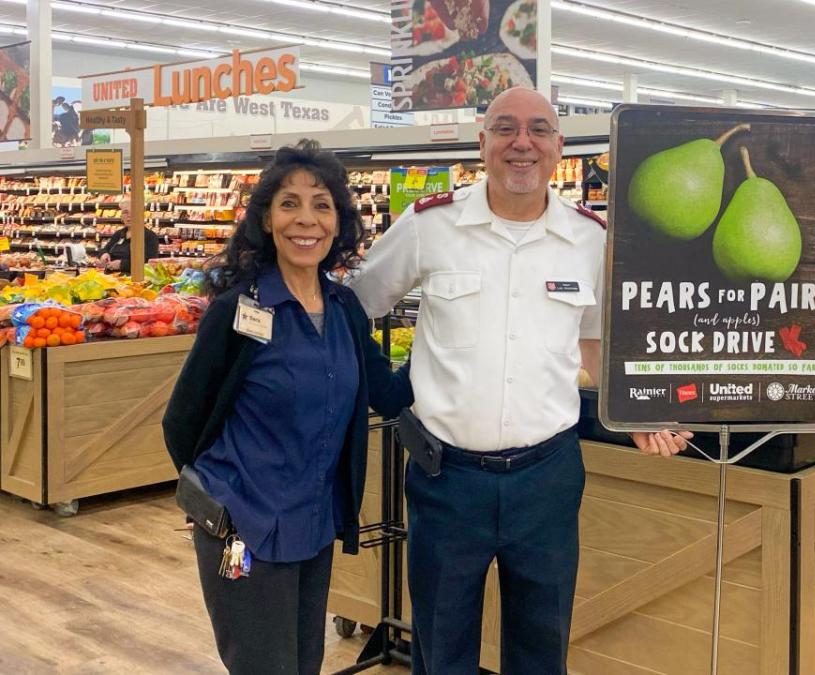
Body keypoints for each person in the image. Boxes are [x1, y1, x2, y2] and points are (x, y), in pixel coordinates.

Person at [350, 86, 691, 674]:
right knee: (442, 646)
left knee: (541, 646)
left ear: (558, 148)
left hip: (548, 481)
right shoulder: (432, 224)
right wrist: (387, 389)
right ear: (482, 143)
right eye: (505, 128)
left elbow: (594, 341)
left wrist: (634, 411)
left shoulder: (590, 238)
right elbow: (356, 307)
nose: (522, 142)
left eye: (538, 129)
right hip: (446, 479)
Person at [162, 140, 414, 675]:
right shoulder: (239, 311)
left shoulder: (345, 309)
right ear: (267, 220)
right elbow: (182, 422)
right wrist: (217, 499)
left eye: (321, 204)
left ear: (339, 222)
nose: (307, 220)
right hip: (244, 530)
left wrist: (457, 339)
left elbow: (388, 393)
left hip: (314, 526)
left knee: (303, 664)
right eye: (290, 203)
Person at [98, 197, 160, 274]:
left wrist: (122, 264)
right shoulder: (118, 234)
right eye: (125, 212)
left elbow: (150, 262)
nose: (129, 216)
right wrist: (103, 254)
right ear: (121, 216)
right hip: (111, 279)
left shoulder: (150, 236)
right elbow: (104, 249)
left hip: (135, 281)